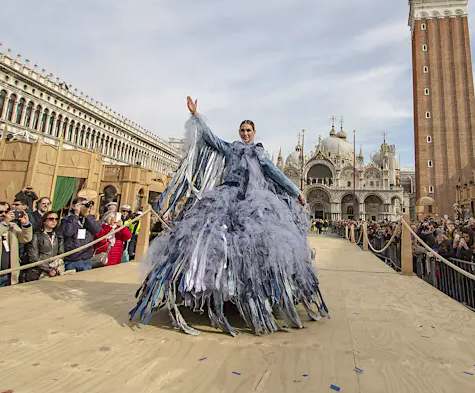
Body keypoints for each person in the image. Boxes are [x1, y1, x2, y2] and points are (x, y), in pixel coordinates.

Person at [131, 96, 328, 336]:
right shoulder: (231, 148)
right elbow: (211, 140)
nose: (245, 133)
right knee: (210, 240)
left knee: (259, 246)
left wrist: (297, 192)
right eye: (242, 130)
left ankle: (254, 295)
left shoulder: (260, 155)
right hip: (227, 195)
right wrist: (196, 116)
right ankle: (209, 291)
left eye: (248, 130)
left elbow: (277, 175)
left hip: (255, 200)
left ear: (254, 132)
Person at [0, 199, 33, 288]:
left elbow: (26, 238)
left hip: (10, 273)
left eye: (6, 211)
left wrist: (25, 224)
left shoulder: (11, 226)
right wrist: (4, 223)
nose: (4, 214)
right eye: (0, 212)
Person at [59, 197, 101, 272]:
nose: (83, 207)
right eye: (81, 205)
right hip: (72, 259)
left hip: (86, 258)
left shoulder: (88, 220)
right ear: (74, 206)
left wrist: (89, 215)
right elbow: (68, 232)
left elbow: (97, 230)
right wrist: (75, 215)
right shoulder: (67, 220)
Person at [25, 211, 64, 281]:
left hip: (55, 270)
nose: (54, 221)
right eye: (51, 219)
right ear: (44, 221)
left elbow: (61, 252)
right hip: (39, 272)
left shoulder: (58, 235)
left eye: (56, 219)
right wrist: (48, 269)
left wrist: (57, 265)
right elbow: (33, 257)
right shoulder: (36, 235)